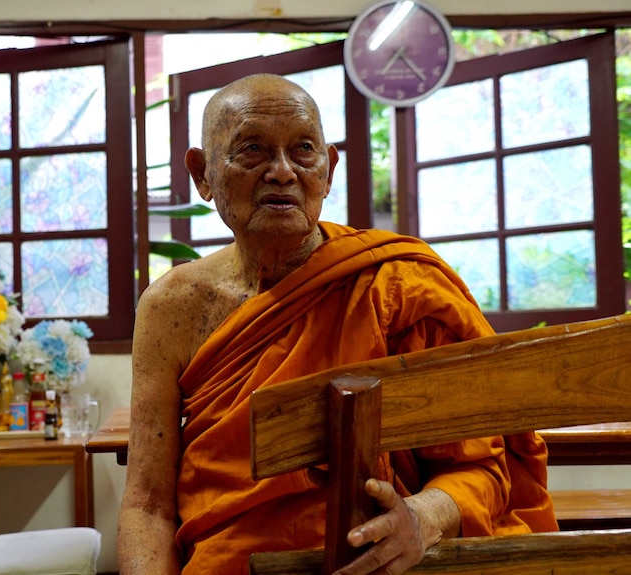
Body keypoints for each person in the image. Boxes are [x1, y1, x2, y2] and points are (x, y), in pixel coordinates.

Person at [117, 73, 557, 575]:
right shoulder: (173, 306)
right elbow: (147, 504)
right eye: (252, 149)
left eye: (303, 150)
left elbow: (479, 467)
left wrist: (422, 516)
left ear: (327, 171)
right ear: (202, 173)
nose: (282, 172)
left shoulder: (396, 286)